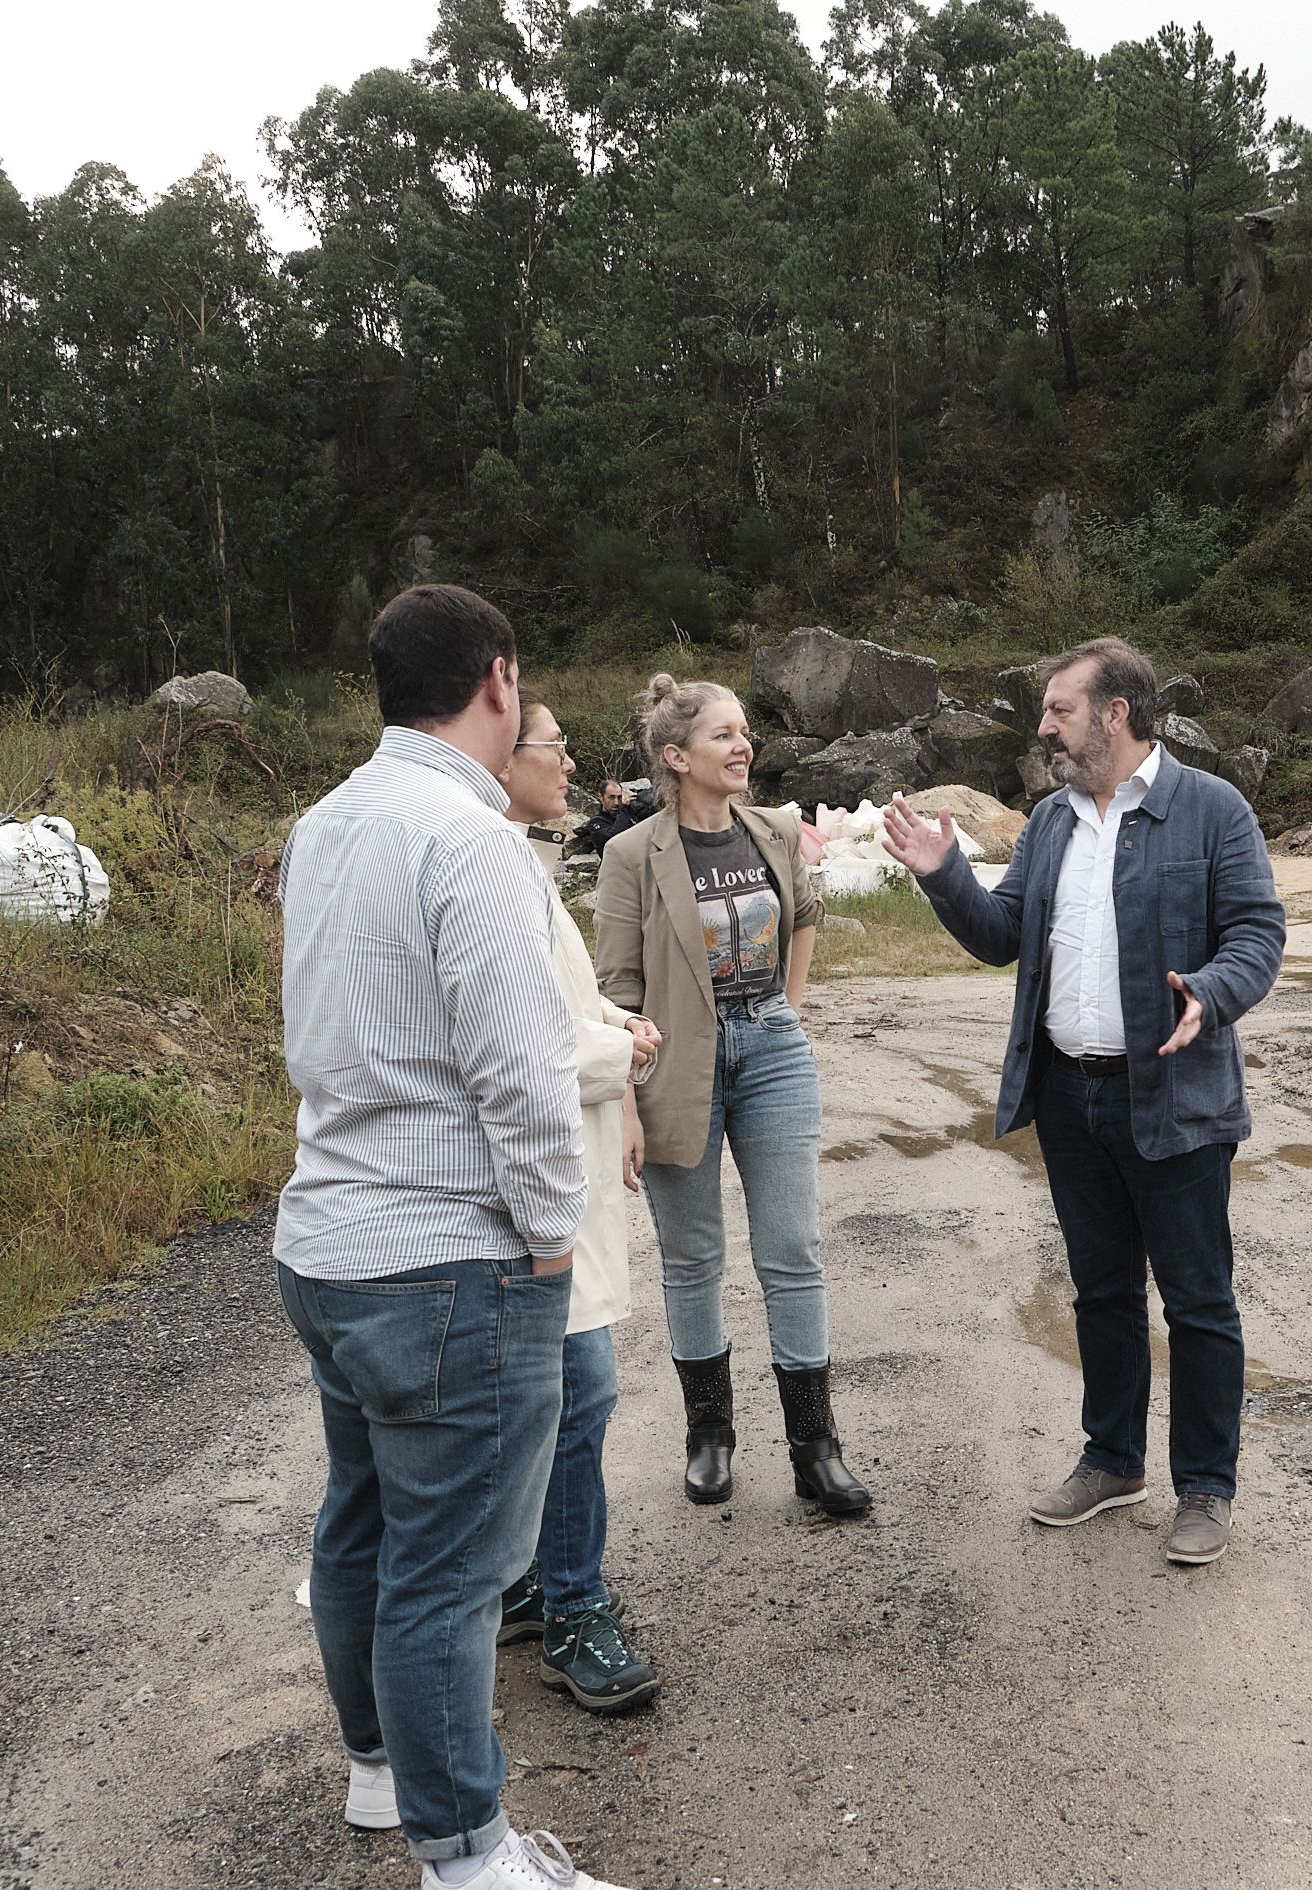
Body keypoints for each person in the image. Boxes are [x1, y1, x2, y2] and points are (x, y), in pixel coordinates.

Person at [275, 582, 632, 1890]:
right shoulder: (470, 839)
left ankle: (382, 1773)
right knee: (450, 1567)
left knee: (362, 1520)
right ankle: (469, 1858)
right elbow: (521, 1069)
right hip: (445, 1260)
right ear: (496, 680)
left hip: (325, 1241)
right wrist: (551, 1234)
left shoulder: (324, 825)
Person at [881, 637, 1285, 1567]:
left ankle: (1205, 1489)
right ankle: (1112, 1461)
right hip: (1070, 1095)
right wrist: (943, 875)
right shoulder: (1050, 823)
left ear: (1115, 713)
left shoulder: (1211, 809)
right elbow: (1001, 937)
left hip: (1175, 1097)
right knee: (1101, 1291)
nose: (1043, 725)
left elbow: (1259, 933)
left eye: (1058, 709)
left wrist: (1210, 994)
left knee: (1197, 1300)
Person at [593, 674, 870, 1517]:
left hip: (771, 1049)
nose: (742, 746)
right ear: (676, 758)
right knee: (692, 1257)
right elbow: (616, 987)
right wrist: (628, 1100)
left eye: (744, 732)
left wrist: (789, 1003)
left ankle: (814, 1450)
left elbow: (807, 913)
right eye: (722, 736)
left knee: (792, 1248)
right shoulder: (632, 854)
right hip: (675, 1061)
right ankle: (708, 1437)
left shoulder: (775, 830)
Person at [489, 694, 664, 1714]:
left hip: (564, 1166)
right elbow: (532, 1045)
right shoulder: (491, 865)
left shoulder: (526, 861)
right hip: (528, 1187)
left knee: (564, 1392)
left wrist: (613, 1031)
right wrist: (625, 1051)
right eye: (551, 748)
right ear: (501, 753)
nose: (568, 766)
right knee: (577, 1391)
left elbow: (568, 998)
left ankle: (532, 1580)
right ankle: (572, 1608)